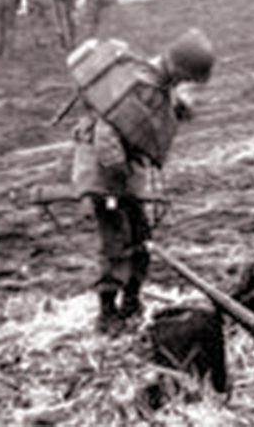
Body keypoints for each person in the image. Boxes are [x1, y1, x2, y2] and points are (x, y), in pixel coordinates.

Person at [71, 29, 215, 333]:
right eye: (184, 77)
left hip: (126, 174)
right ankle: (107, 313)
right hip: (103, 173)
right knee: (116, 241)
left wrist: (178, 108)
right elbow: (106, 134)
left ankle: (132, 302)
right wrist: (119, 182)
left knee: (142, 239)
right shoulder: (135, 82)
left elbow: (154, 114)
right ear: (174, 65)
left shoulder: (157, 83)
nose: (183, 83)